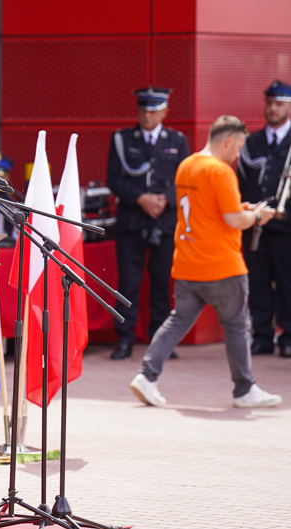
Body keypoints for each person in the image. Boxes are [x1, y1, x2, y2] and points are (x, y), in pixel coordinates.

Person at [129, 115, 282, 409]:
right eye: (237, 148)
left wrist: (243, 207)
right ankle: (244, 389)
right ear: (228, 141)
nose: (238, 156)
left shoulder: (188, 165)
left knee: (176, 321)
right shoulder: (221, 171)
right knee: (237, 326)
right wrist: (256, 216)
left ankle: (147, 375)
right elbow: (233, 219)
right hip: (222, 265)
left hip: (187, 262)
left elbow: (209, 209)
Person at [107, 87, 190, 360]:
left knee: (161, 283)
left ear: (165, 112)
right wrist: (141, 198)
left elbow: (184, 180)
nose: (147, 115)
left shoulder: (177, 141)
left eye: (153, 110)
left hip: (164, 222)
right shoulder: (121, 139)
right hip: (132, 220)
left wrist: (164, 200)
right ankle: (125, 339)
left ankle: (160, 341)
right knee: (127, 283)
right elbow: (114, 179)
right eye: (143, 109)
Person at [237, 80, 291, 358]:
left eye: (279, 104)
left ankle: (288, 336)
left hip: (286, 227)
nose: (272, 108)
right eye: (269, 103)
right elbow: (242, 182)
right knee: (257, 281)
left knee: (287, 281)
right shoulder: (251, 142)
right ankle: (262, 336)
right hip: (256, 225)